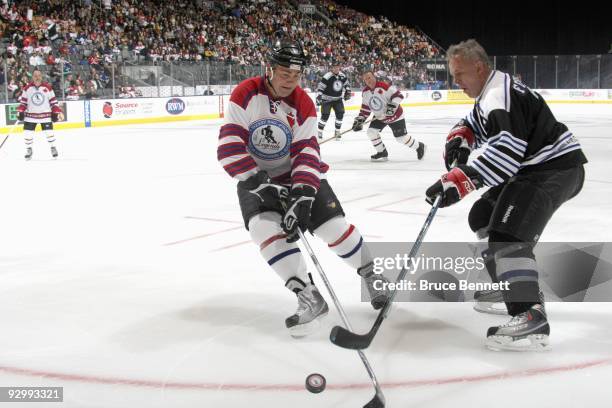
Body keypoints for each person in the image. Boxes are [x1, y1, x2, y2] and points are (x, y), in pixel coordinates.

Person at [217, 40, 390, 337]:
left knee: (333, 228)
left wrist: (301, 194)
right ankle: (308, 296)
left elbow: (307, 154)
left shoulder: (304, 104)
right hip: (255, 178)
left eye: (296, 75)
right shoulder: (246, 93)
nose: (290, 80)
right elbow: (229, 146)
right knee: (262, 229)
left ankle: (373, 276)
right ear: (269, 68)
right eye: (284, 73)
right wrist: (260, 183)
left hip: (298, 176)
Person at [425, 39, 587, 351]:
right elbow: (474, 121)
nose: (455, 81)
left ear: (479, 67)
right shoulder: (491, 90)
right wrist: (462, 137)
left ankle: (529, 314)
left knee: (507, 234)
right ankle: (508, 286)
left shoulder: (499, 95)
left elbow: (506, 152)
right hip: (537, 168)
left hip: (554, 169)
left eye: (459, 74)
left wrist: (461, 180)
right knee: (482, 216)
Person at [352, 71, 426, 161]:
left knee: (401, 138)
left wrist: (391, 108)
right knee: (371, 132)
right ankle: (382, 151)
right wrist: (361, 119)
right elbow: (365, 108)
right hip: (379, 117)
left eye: (369, 77)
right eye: (365, 79)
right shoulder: (365, 92)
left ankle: (419, 146)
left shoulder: (384, 86)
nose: (368, 80)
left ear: (374, 77)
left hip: (395, 116)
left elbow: (399, 96)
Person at [16, 69, 64, 160]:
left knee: (49, 133)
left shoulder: (47, 87)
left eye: (39, 75)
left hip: (45, 116)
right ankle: (29, 149)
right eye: (35, 75)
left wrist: (55, 112)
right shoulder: (27, 88)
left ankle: (53, 147)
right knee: (27, 134)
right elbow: (23, 102)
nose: (37, 77)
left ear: (41, 76)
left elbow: (53, 102)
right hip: (30, 116)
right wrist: (21, 111)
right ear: (32, 77)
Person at [315, 63, 351, 140]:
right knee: (325, 116)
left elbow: (347, 84)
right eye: (334, 67)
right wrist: (319, 96)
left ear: (339, 67)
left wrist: (348, 90)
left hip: (338, 99)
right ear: (331, 68)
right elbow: (320, 87)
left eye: (337, 67)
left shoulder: (342, 76)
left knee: (340, 114)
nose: (336, 69)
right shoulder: (327, 76)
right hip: (327, 99)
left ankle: (337, 131)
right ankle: (319, 131)